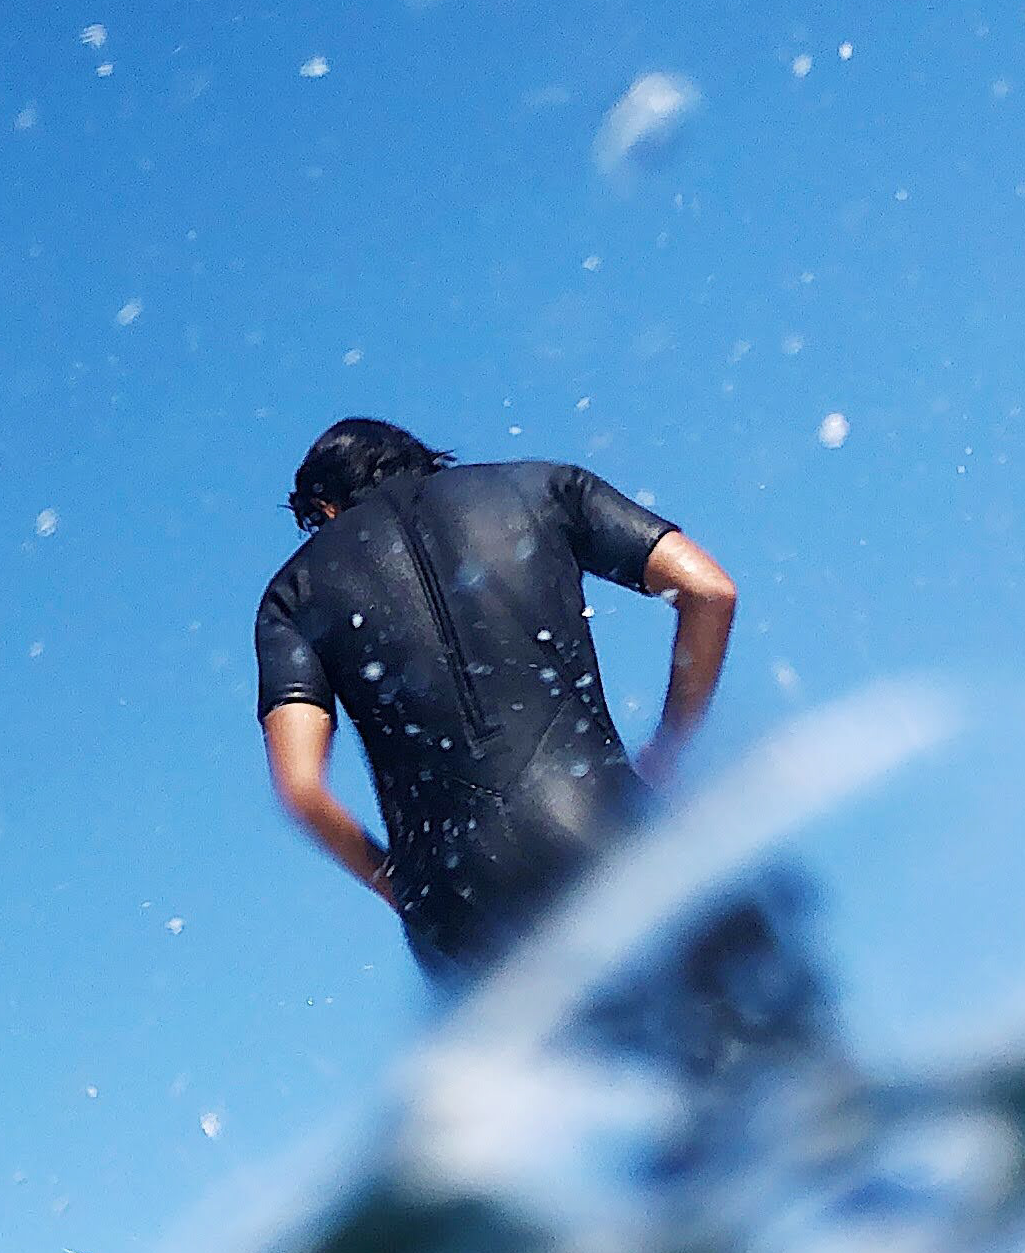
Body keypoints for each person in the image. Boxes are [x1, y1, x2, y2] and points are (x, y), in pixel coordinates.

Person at [254, 416, 737, 984]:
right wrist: (670, 746)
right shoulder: (542, 487)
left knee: (539, 1042)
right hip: (602, 829)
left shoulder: (292, 595)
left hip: (459, 900)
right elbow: (709, 592)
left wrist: (398, 884)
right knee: (727, 1012)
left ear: (325, 506)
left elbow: (302, 789)